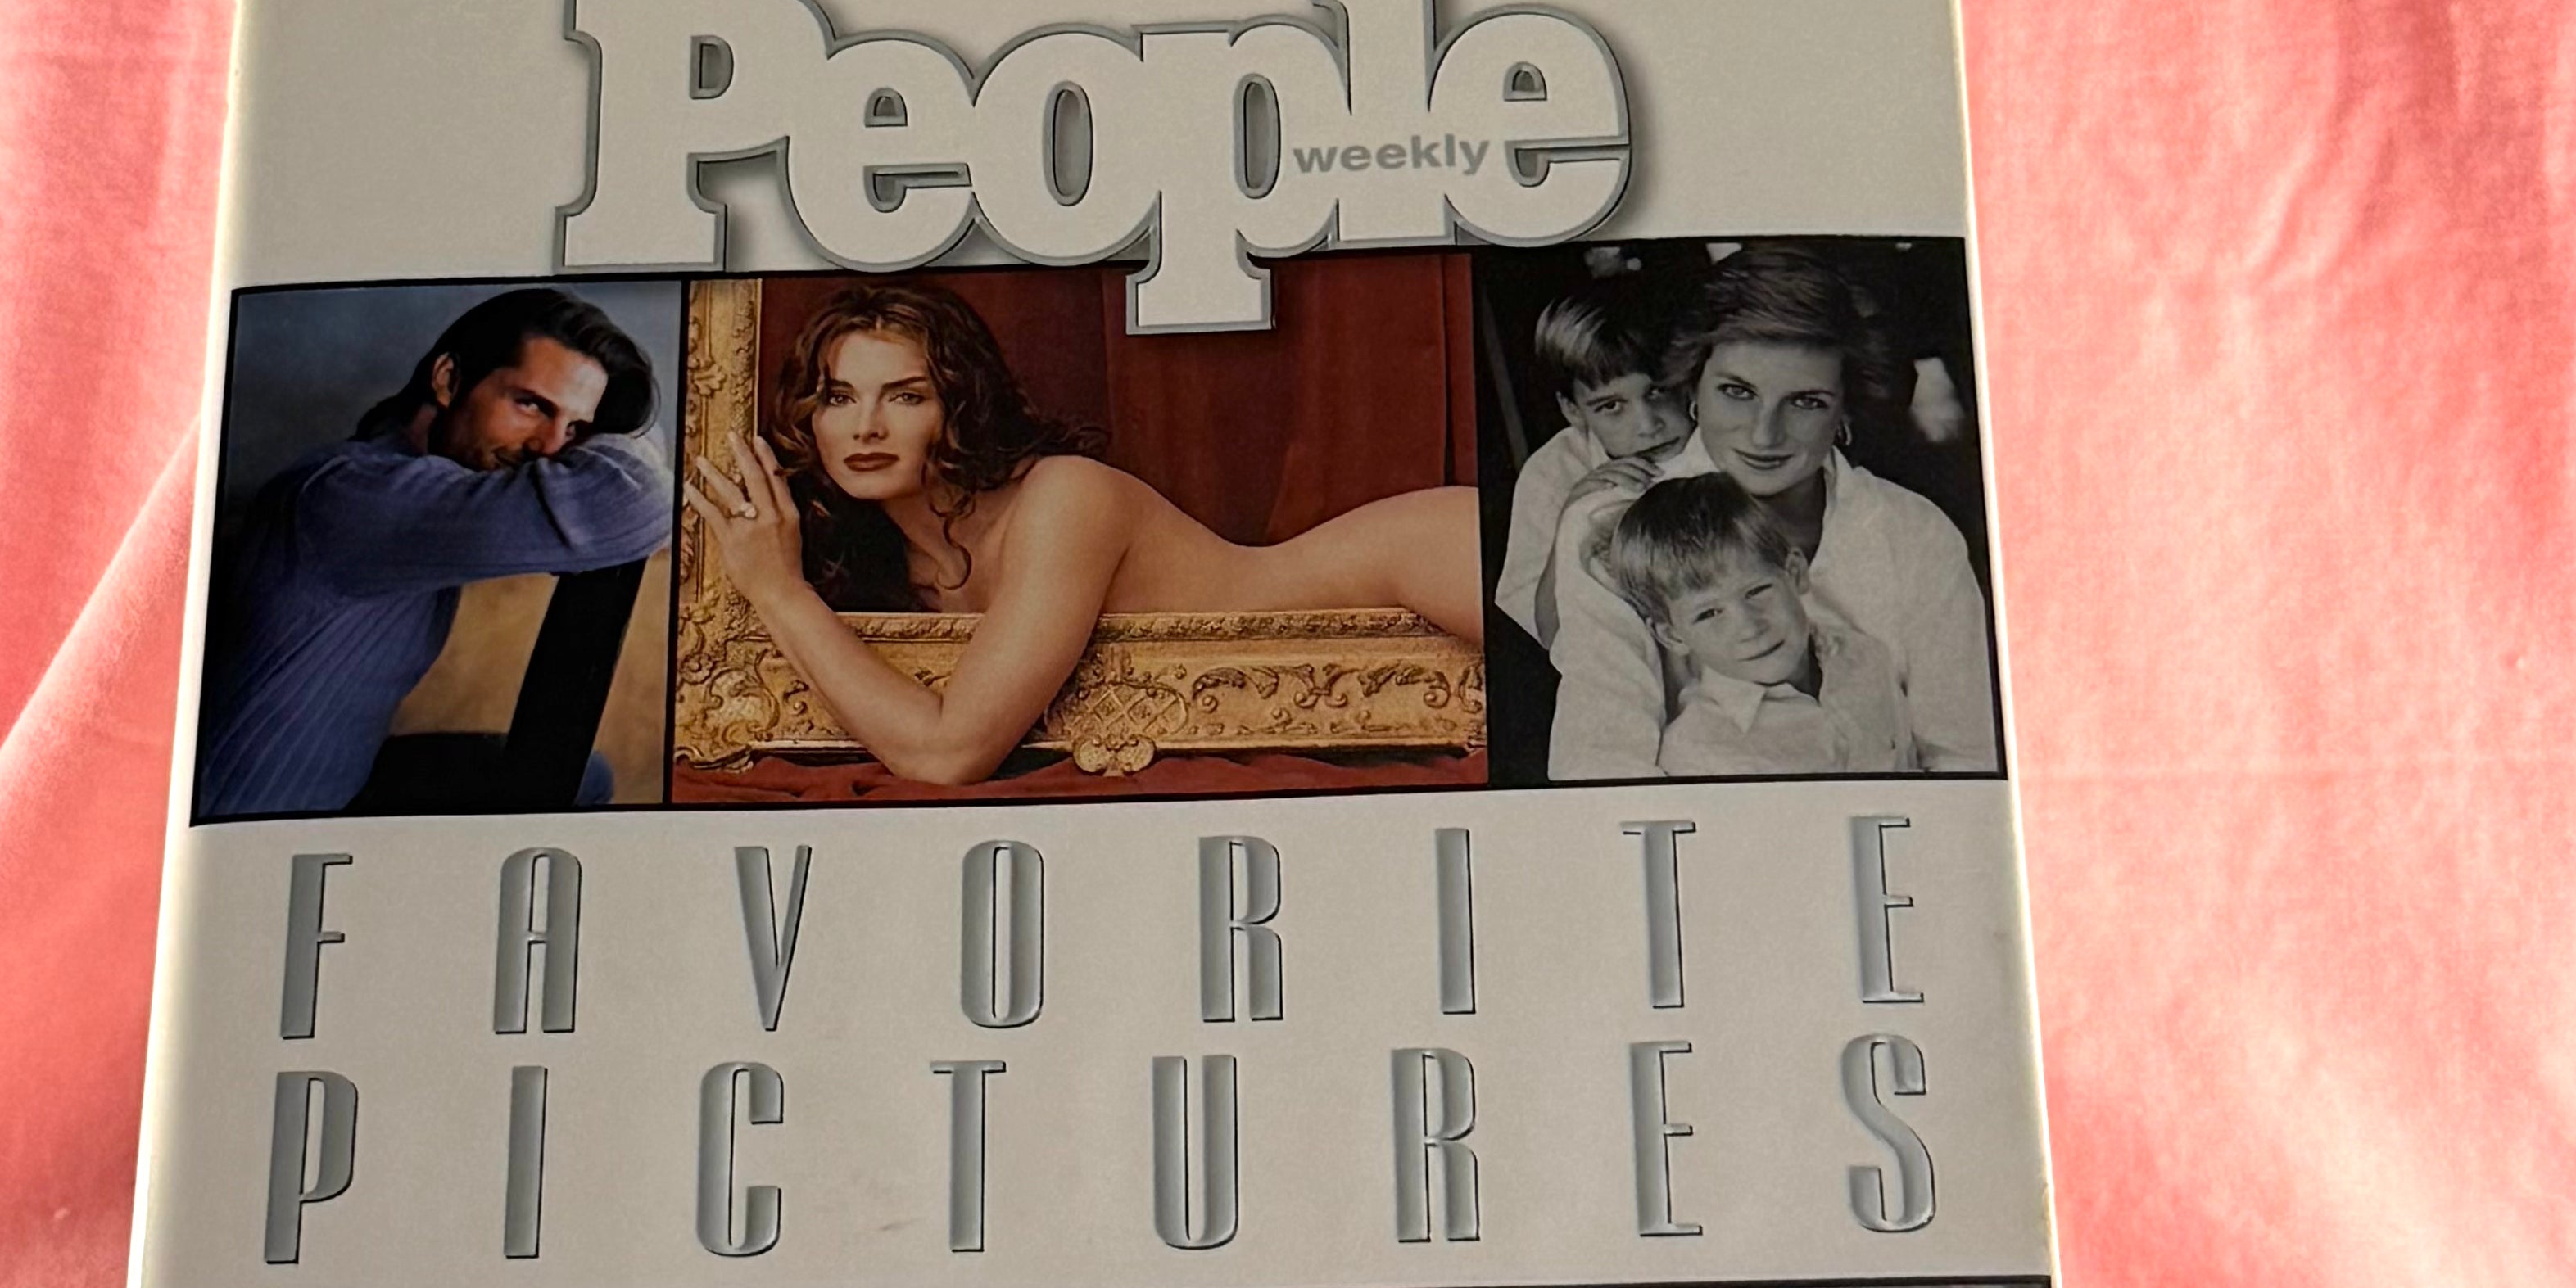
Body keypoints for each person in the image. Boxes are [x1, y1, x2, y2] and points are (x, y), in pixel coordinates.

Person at [685, 280, 1483, 791]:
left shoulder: (1065, 498)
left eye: (905, 395)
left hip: (1418, 555)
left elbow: (947, 753)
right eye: (837, 397)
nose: (865, 425)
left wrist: (779, 591)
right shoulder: (886, 559)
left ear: (959, 403)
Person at [194, 284, 668, 820]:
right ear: (448, 380)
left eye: (576, 428)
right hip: (245, 825)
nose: (550, 448)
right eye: (532, 405)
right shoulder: (354, 495)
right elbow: (635, 501)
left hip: (341, 784)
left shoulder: (433, 491)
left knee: (585, 777)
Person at [1540, 244, 2000, 776]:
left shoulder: (1914, 533)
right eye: (1737, 392)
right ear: (1692, 386)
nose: (1764, 435)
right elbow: (1599, 764)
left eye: (1806, 402)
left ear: (1845, 411)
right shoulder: (1611, 523)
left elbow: (1965, 760)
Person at [1599, 477, 1917, 775]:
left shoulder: (1866, 656)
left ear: (1795, 573)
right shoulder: (1698, 754)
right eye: (1709, 613)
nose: (1750, 627)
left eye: (1756, 591)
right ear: (1672, 636)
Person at [1492, 272, 1693, 654]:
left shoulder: (1718, 435)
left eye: (1659, 391)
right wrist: (1573, 521)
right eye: (1612, 406)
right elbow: (1548, 631)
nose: (1647, 425)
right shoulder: (1554, 471)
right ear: (1572, 410)